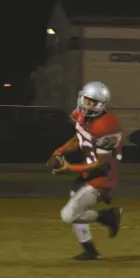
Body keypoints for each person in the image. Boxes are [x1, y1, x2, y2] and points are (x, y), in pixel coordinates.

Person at [47, 81, 123, 261]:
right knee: (76, 211)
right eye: (84, 100)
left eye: (91, 102)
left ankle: (107, 216)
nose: (85, 105)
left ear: (101, 105)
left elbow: (100, 163)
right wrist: (59, 151)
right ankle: (90, 251)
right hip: (88, 171)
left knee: (68, 215)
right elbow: (78, 138)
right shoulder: (80, 116)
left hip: (104, 175)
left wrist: (69, 168)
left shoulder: (107, 126)